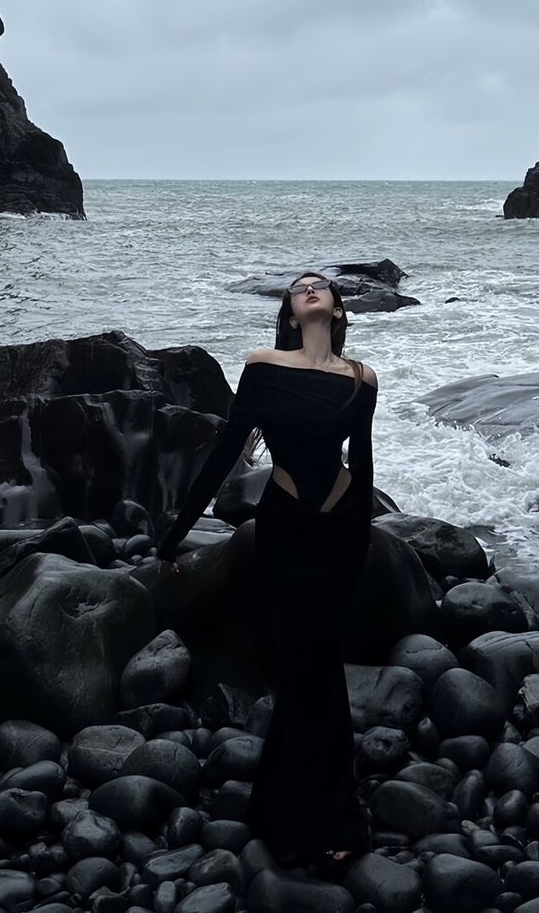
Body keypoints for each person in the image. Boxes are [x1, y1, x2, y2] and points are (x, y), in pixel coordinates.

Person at [157, 271, 379, 876]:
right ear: (288, 309)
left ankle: (292, 810)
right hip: (285, 533)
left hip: (338, 537)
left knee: (318, 666)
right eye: (298, 286)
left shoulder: (362, 379)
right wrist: (173, 535)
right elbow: (227, 451)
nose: (309, 289)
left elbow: (360, 467)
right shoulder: (263, 366)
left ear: (336, 308)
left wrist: (357, 553)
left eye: (320, 285)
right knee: (309, 667)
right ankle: (320, 813)